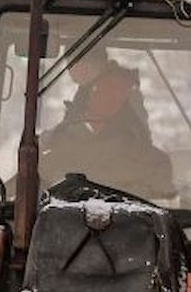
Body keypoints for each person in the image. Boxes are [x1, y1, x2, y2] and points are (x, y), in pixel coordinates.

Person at [41, 51, 176, 200]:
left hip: (118, 156)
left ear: (86, 64)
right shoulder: (92, 86)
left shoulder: (113, 86)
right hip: (107, 153)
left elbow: (93, 127)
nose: (70, 71)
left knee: (47, 169)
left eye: (72, 64)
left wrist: (51, 139)